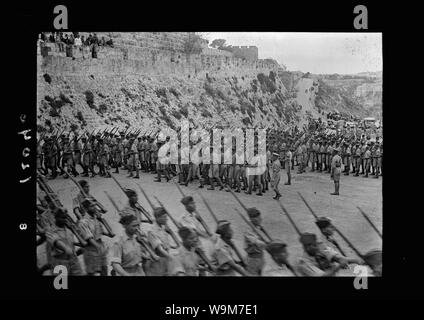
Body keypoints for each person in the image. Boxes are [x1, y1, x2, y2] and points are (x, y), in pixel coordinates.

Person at [45, 208, 83, 275]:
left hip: (73, 261)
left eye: (66, 217)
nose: (65, 220)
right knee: (62, 284)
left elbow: (71, 244)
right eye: (62, 218)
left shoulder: (68, 230)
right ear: (56, 218)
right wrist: (65, 248)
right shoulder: (51, 231)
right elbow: (56, 241)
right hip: (59, 262)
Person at [78, 199, 108, 276]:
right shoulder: (83, 222)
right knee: (92, 273)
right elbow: (89, 239)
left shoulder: (96, 219)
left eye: (94, 205)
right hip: (91, 250)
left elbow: (103, 232)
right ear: (86, 208)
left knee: (104, 270)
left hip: (99, 246)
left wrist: (101, 219)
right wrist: (99, 247)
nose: (94, 207)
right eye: (92, 206)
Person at [146, 207, 177, 276]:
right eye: (164, 217)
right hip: (158, 261)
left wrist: (174, 247)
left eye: (166, 216)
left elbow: (164, 243)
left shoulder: (162, 227)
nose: (166, 219)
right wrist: (172, 258)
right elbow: (160, 249)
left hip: (166, 259)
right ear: (157, 218)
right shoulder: (152, 231)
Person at [243, 208, 267, 275]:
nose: (260, 219)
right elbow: (257, 242)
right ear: (251, 219)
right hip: (253, 259)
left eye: (260, 217)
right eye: (257, 218)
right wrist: (267, 245)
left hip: (260, 257)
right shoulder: (248, 230)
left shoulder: (258, 227)